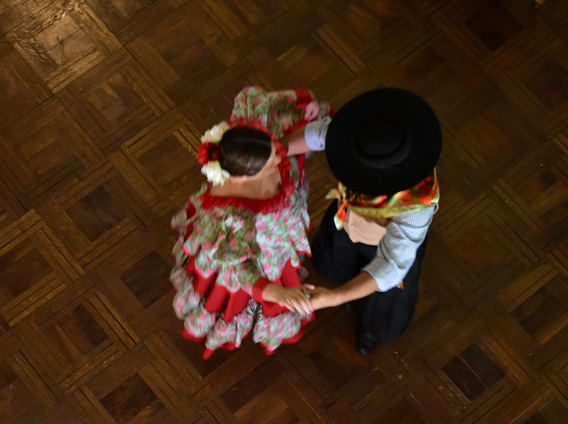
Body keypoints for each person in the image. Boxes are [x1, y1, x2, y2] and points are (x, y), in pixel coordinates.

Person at [169, 86, 331, 359]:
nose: (279, 156)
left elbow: (258, 99)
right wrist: (275, 292)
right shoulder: (231, 219)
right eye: (271, 163)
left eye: (274, 148)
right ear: (242, 178)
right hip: (259, 251)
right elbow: (238, 268)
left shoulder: (246, 138)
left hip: (275, 226)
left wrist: (306, 99)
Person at [306, 88, 442, 356]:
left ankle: (371, 329)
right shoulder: (355, 136)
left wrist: (334, 297)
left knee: (385, 300)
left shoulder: (417, 206)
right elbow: (317, 134)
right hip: (346, 222)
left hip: (387, 243)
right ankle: (350, 288)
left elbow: (391, 265)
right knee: (338, 262)